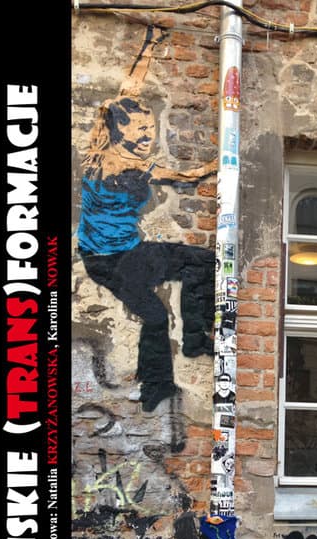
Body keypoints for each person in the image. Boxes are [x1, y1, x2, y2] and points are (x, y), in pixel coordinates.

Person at [77, 27, 217, 412]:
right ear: (117, 129)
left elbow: (131, 88)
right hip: (106, 261)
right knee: (155, 315)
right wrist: (211, 168)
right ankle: (156, 387)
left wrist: (150, 46)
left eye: (150, 129)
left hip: (131, 252)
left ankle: (195, 339)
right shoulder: (110, 159)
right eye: (140, 130)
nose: (147, 136)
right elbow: (181, 174)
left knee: (202, 262)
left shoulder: (133, 157)